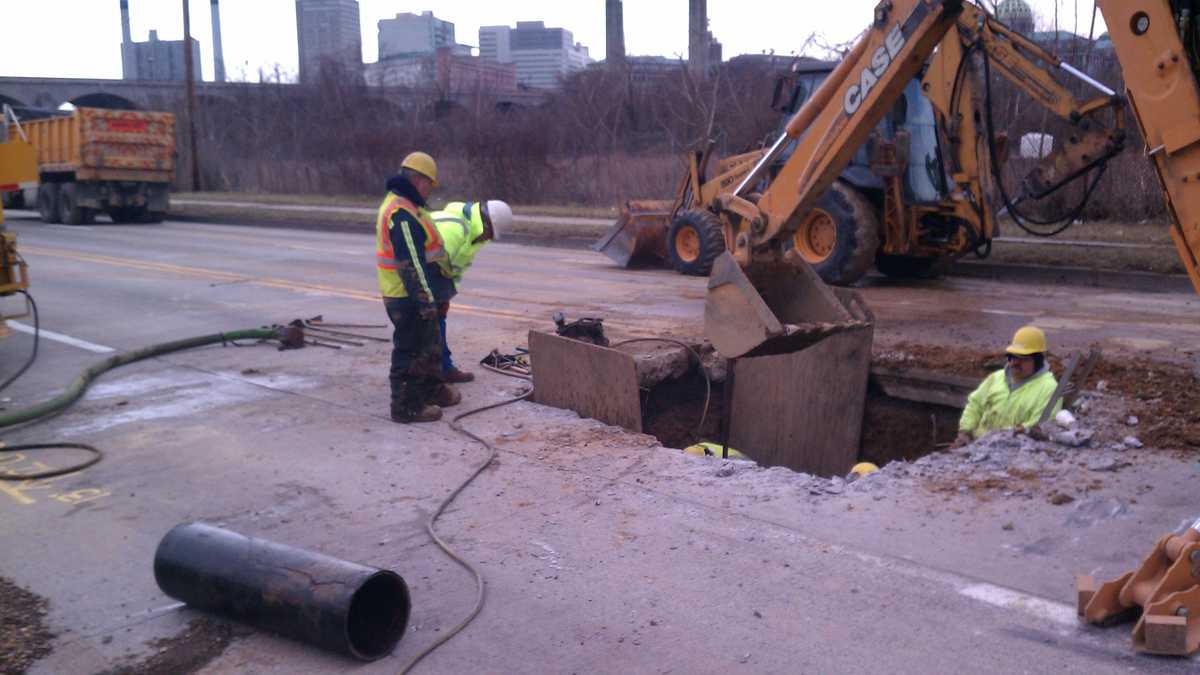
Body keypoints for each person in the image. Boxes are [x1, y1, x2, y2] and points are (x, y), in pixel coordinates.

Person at [375, 151, 459, 423]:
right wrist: (424, 301)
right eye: (429, 185)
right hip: (406, 296)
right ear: (419, 180)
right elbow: (410, 263)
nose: (429, 190)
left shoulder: (409, 206)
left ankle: (430, 390)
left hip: (414, 294)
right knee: (409, 350)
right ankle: (405, 407)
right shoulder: (400, 213)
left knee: (428, 346)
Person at [429, 200, 513, 383]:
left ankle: (444, 368)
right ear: (486, 223)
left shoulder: (471, 236)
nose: (489, 239)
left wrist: (446, 296)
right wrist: (433, 298)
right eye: (491, 234)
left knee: (437, 324)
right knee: (425, 328)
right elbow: (430, 264)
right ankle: (429, 378)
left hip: (435, 284)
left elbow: (454, 269)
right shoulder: (454, 229)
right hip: (416, 282)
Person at [955, 325, 1061, 446]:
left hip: (1014, 449)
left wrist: (1002, 438)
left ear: (1038, 360)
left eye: (1023, 359)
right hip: (977, 444)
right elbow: (975, 404)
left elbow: (1038, 427)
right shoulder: (996, 378)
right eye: (1013, 357)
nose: (1015, 362)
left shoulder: (1049, 389)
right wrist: (965, 431)